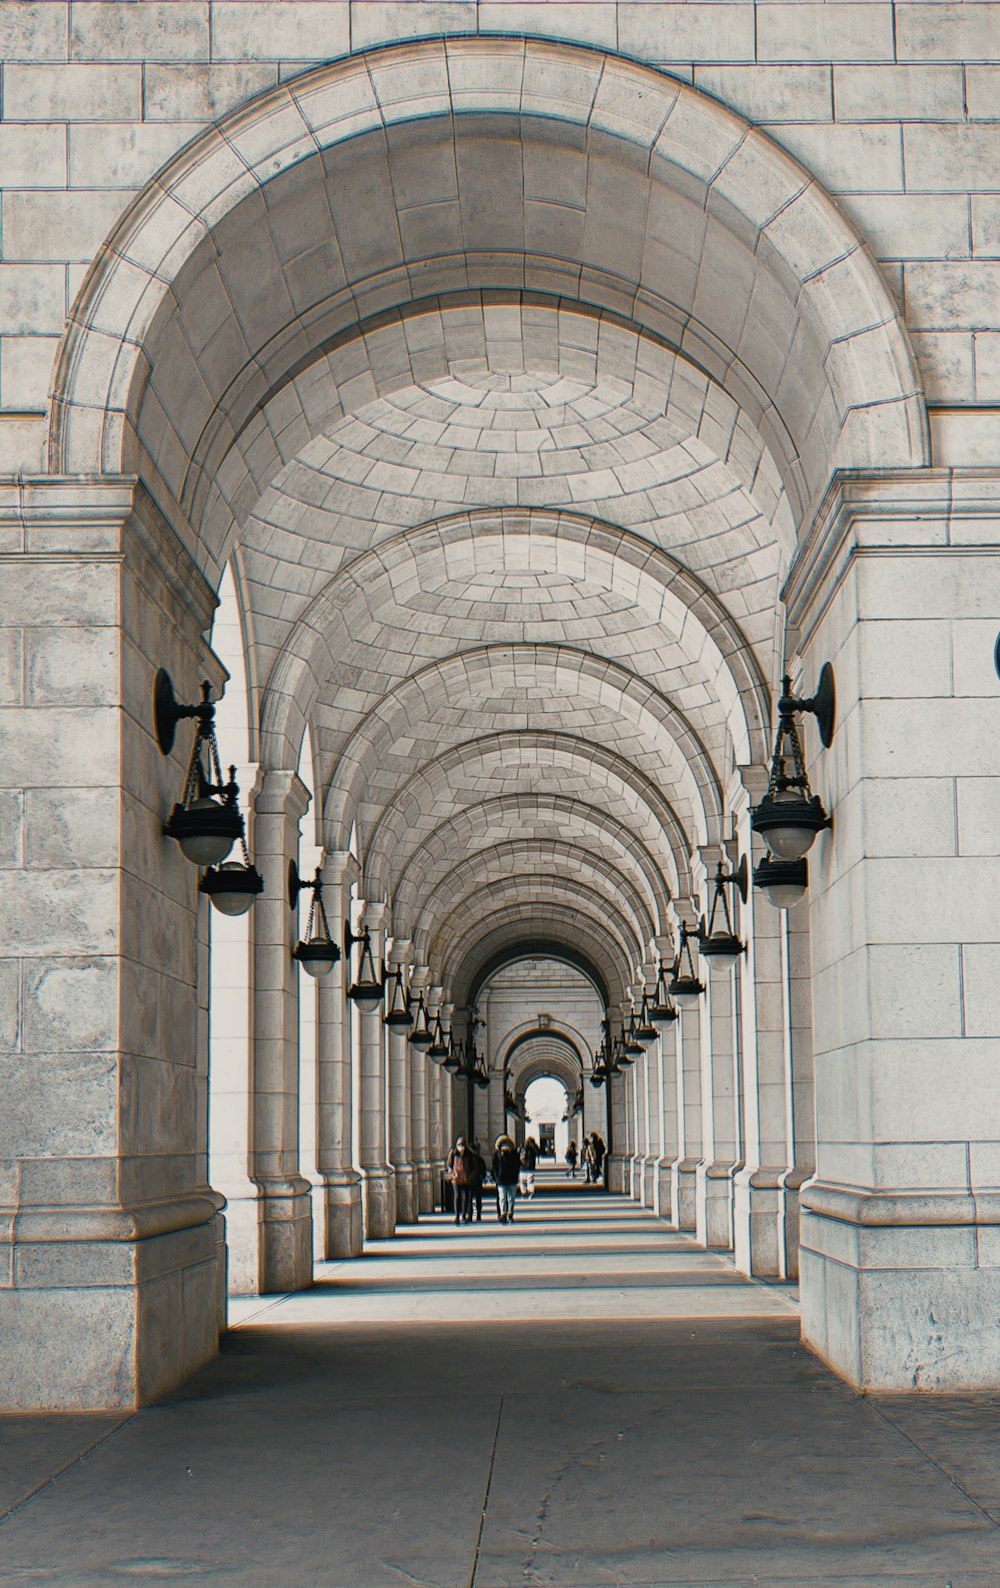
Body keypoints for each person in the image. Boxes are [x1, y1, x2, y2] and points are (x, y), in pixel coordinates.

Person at [447, 1136, 477, 1224]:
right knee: (457, 1197)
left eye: (462, 1145)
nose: (461, 1147)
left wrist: (471, 1176)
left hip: (466, 1179)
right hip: (456, 1179)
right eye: (459, 1145)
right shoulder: (453, 1153)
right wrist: (452, 1174)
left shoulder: (469, 1154)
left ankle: (464, 1215)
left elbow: (474, 1166)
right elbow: (449, 1165)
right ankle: (457, 1216)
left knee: (466, 1198)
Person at [492, 1134, 521, 1223]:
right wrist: (496, 1177)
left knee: (511, 1198)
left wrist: (516, 1175)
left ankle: (510, 1213)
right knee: (502, 1198)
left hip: (512, 1180)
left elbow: (517, 1165)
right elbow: (494, 1166)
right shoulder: (497, 1154)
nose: (505, 1147)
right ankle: (503, 1213)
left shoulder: (514, 1154)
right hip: (501, 1180)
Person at [471, 1139, 488, 1223]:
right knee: (472, 1198)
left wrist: (482, 1176)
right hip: (473, 1180)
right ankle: (473, 1214)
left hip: (476, 1180)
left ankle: (477, 1214)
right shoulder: (477, 1159)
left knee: (476, 1198)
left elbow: (483, 1169)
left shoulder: (479, 1159)